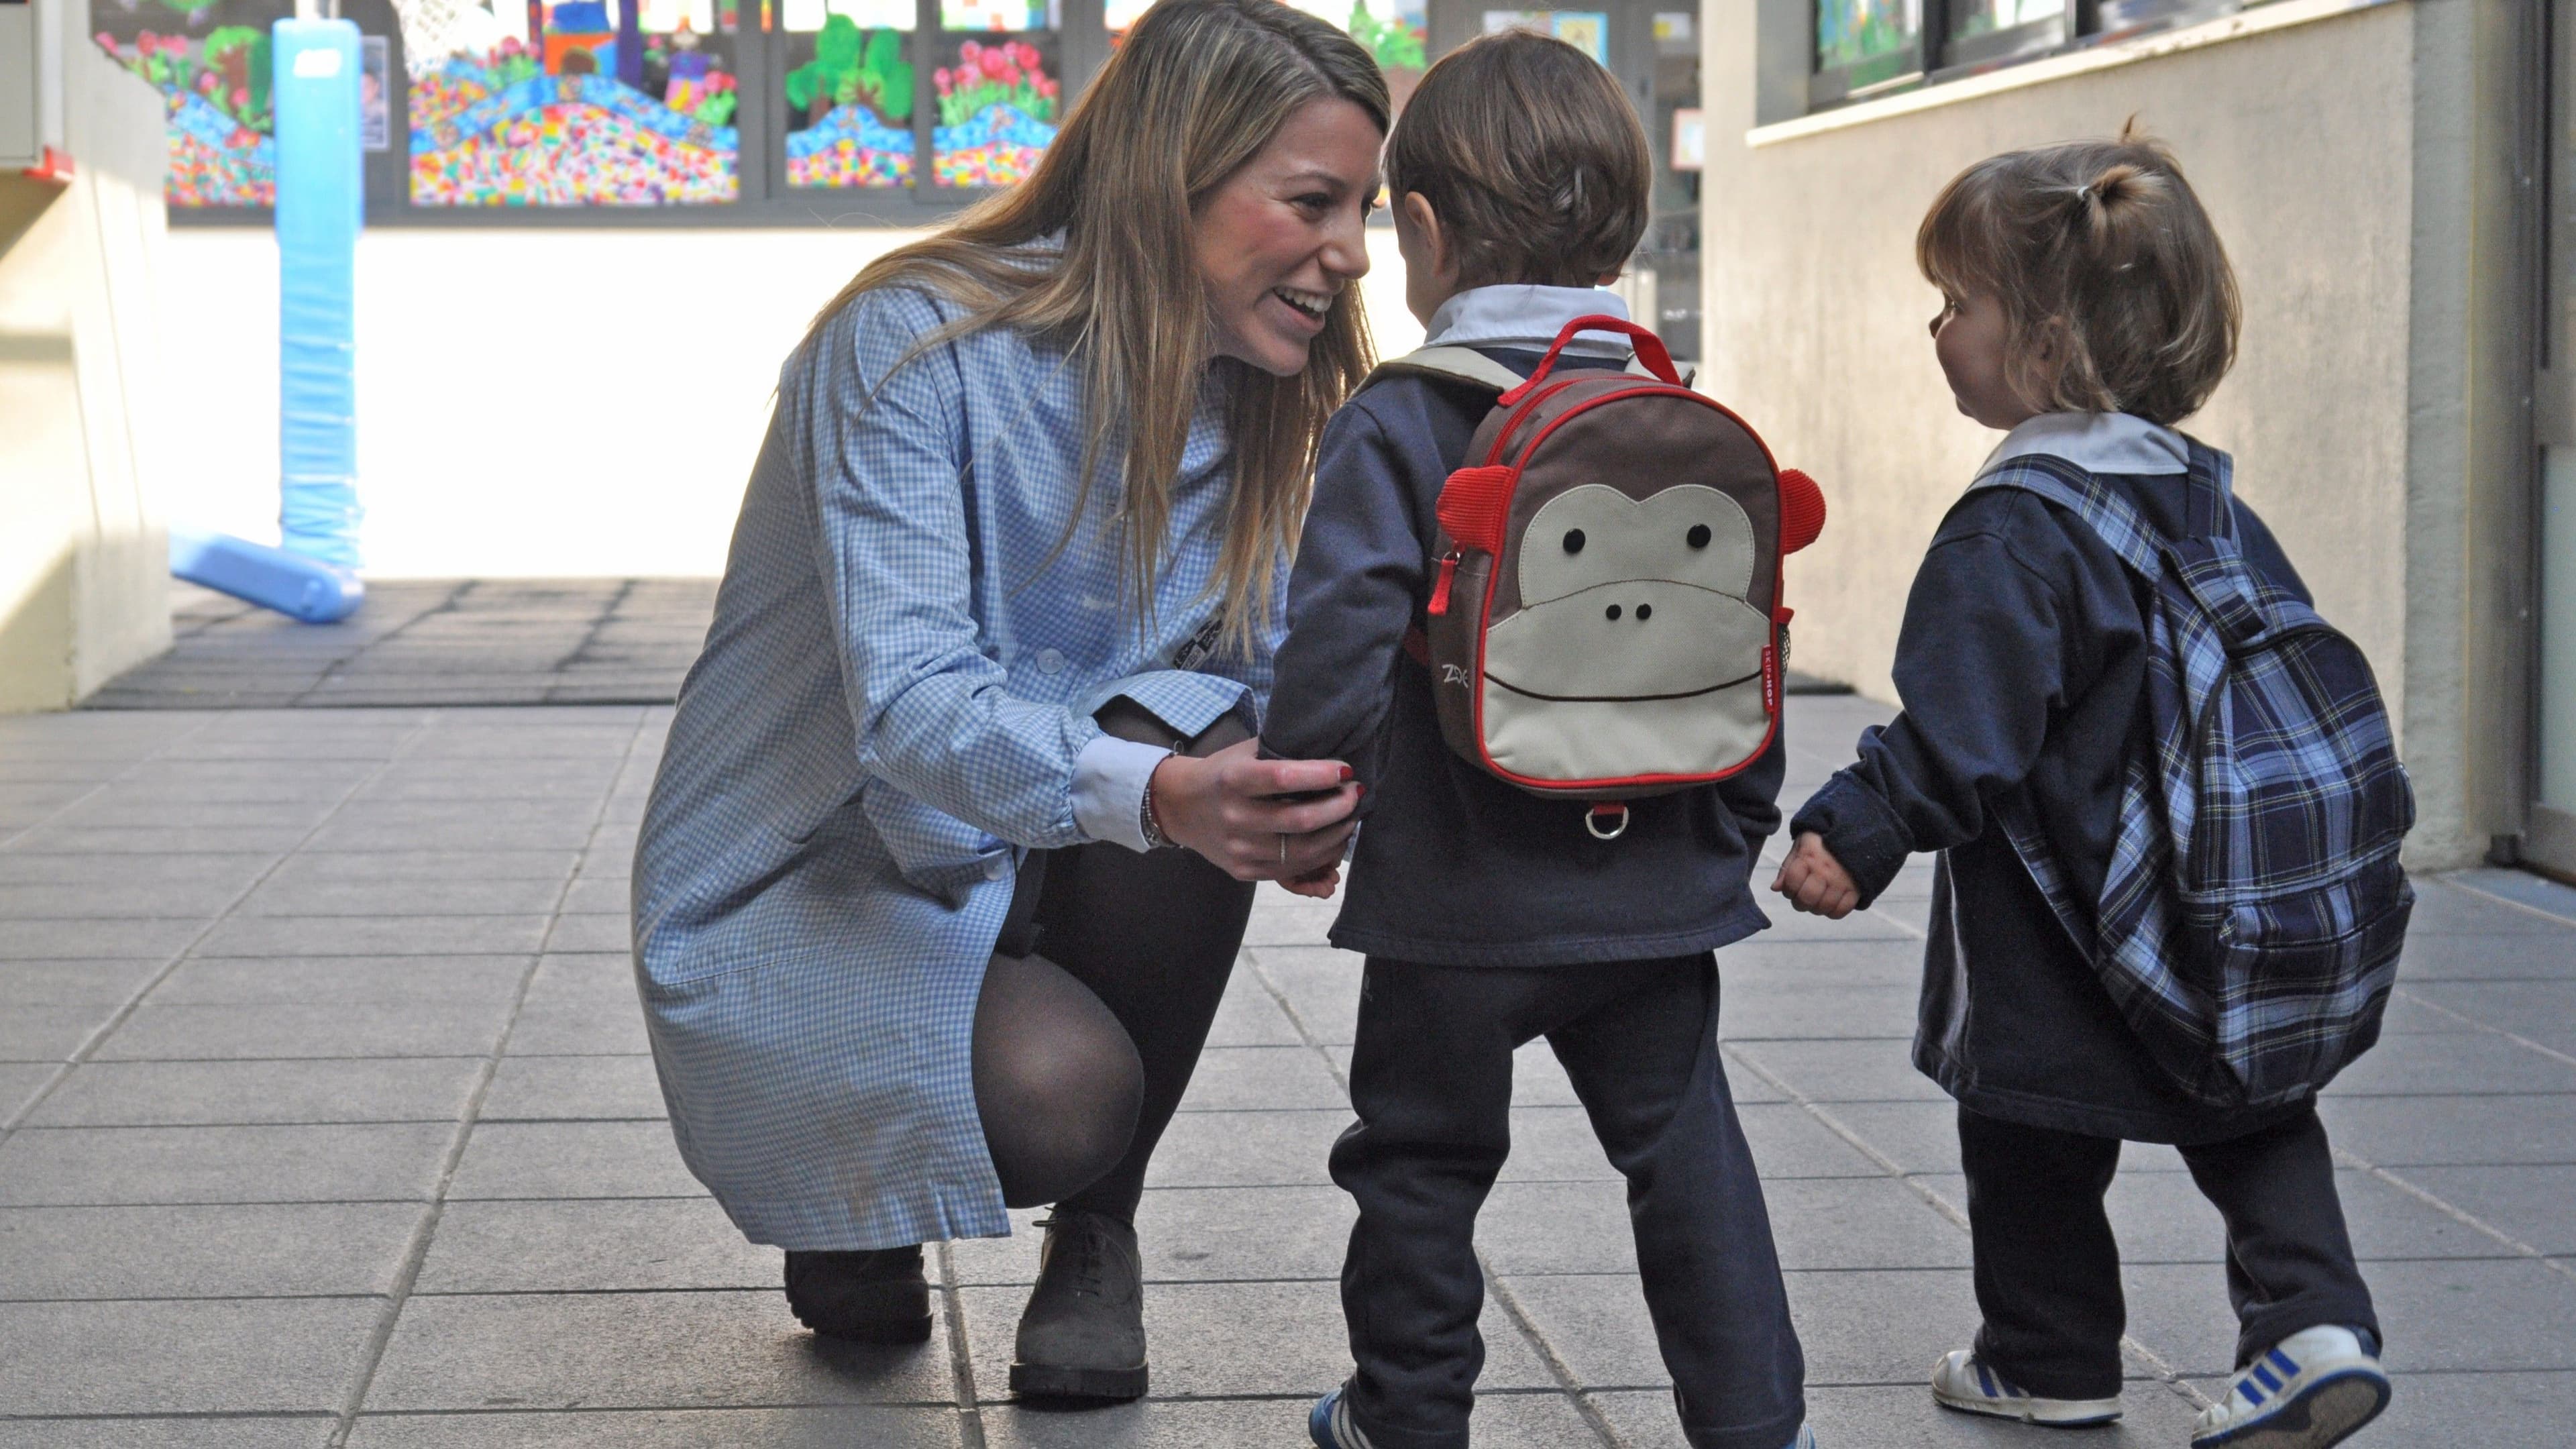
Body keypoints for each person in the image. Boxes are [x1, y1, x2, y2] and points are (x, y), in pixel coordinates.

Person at [630, 0, 1383, 1404]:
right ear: (1174, 179)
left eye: (1365, 208)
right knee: (1061, 1089)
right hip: (826, 866)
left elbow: (1293, 671)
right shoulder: (908, 346)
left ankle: (1100, 1236)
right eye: (1313, 202)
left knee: (1219, 735)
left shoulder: (1277, 401)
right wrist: (1162, 794)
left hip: (1035, 849)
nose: (1348, 252)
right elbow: (911, 704)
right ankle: (850, 1192)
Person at [1772, 133, 2391, 1449]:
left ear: (2045, 342)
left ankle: (2046, 1356)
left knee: (2029, 1136)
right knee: (2259, 1116)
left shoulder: (2012, 525)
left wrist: (1857, 829)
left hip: (2067, 920)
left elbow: (1963, 731)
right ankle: (2314, 1325)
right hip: (2218, 902)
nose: (1938, 329)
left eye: (1959, 305)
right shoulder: (2204, 495)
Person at [1260, 32, 1811, 1449]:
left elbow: (1336, 630)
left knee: (1421, 1168)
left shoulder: (1404, 416)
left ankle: (1408, 1415)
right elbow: (1749, 628)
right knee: (1689, 1161)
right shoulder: (1677, 412)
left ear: (1427, 232)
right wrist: (1733, 831)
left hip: (1454, 896)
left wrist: (1309, 798)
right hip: (1656, 887)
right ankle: (1758, 1427)